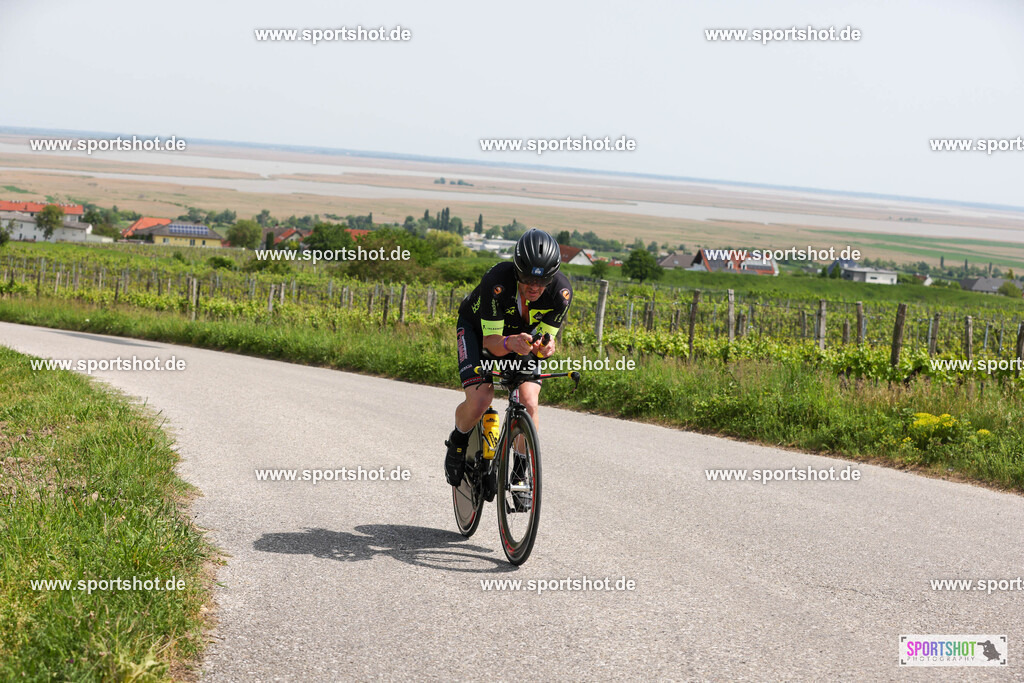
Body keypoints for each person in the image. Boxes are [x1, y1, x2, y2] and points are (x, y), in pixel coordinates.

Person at [445, 228, 573, 486]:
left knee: (529, 401)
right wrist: (508, 342)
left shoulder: (561, 294)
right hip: (478, 330)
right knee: (481, 397)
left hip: (517, 338)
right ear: (516, 271)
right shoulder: (497, 281)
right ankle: (458, 440)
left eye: (542, 280)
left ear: (552, 277)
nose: (534, 287)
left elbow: (544, 343)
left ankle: (521, 472)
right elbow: (490, 343)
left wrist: (546, 347)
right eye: (527, 279)